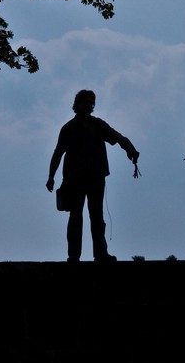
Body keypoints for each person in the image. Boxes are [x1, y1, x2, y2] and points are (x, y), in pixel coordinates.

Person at [46, 89, 140, 262]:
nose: (89, 105)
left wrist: (130, 148)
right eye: (86, 102)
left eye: (91, 102)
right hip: (75, 178)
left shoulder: (98, 125)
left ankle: (101, 253)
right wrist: (51, 176)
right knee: (75, 216)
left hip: (96, 176)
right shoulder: (68, 129)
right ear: (77, 105)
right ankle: (74, 255)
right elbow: (58, 153)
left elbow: (117, 137)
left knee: (97, 216)